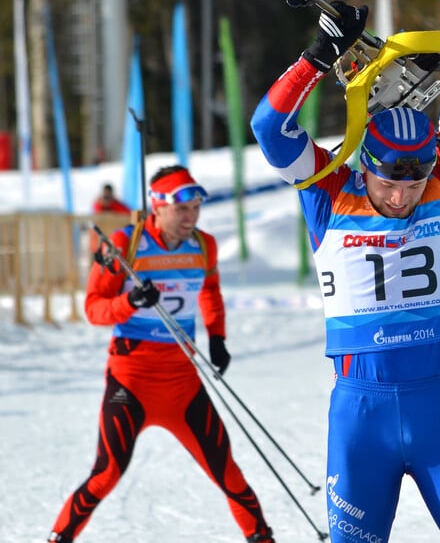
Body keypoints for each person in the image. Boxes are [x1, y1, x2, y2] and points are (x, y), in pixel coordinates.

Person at [249, 0, 440, 543]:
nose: (405, 193)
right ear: (366, 164)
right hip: (359, 417)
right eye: (392, 180)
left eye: (416, 180)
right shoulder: (330, 189)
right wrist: (316, 58)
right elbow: (269, 127)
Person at [48, 165, 275, 543]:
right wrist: (130, 301)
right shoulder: (124, 244)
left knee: (227, 471)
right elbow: (93, 308)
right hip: (131, 381)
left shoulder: (204, 245)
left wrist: (217, 337)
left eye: (196, 208)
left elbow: (210, 290)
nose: (191, 217)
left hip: (183, 384)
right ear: (158, 206)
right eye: (182, 209)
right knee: (106, 474)